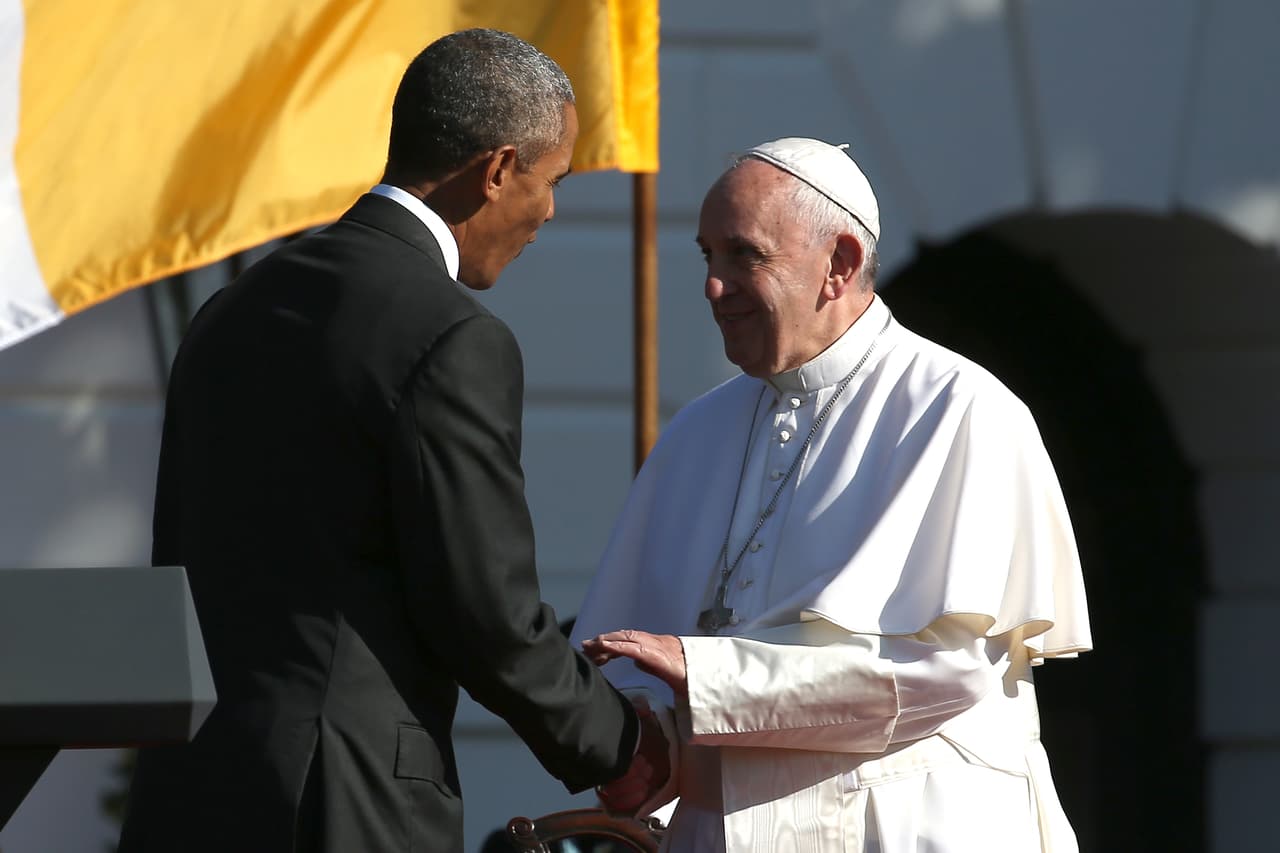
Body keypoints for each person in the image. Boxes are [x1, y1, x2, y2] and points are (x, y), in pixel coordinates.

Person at [118, 29, 665, 853]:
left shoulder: (233, 310)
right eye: (552, 181)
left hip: (189, 790)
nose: (551, 211)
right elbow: (485, 612)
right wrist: (620, 745)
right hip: (341, 803)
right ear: (497, 170)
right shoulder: (452, 337)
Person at [572, 138, 1092, 852]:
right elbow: (655, 675)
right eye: (707, 256)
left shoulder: (957, 408)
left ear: (839, 264)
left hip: (905, 829)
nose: (713, 287)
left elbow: (947, 673)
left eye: (743, 255)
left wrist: (706, 670)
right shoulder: (696, 433)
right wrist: (651, 742)